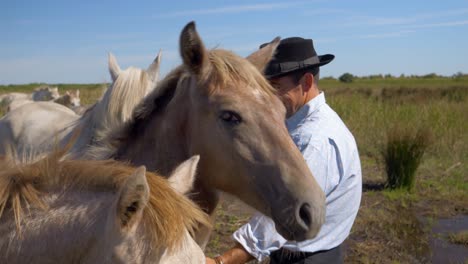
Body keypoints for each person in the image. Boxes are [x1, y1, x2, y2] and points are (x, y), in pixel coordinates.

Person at [206, 37, 362, 264]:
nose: (267, 98)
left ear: (306, 83)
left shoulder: (314, 141)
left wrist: (222, 261)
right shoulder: (296, 123)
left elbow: (283, 215)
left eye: (275, 87)